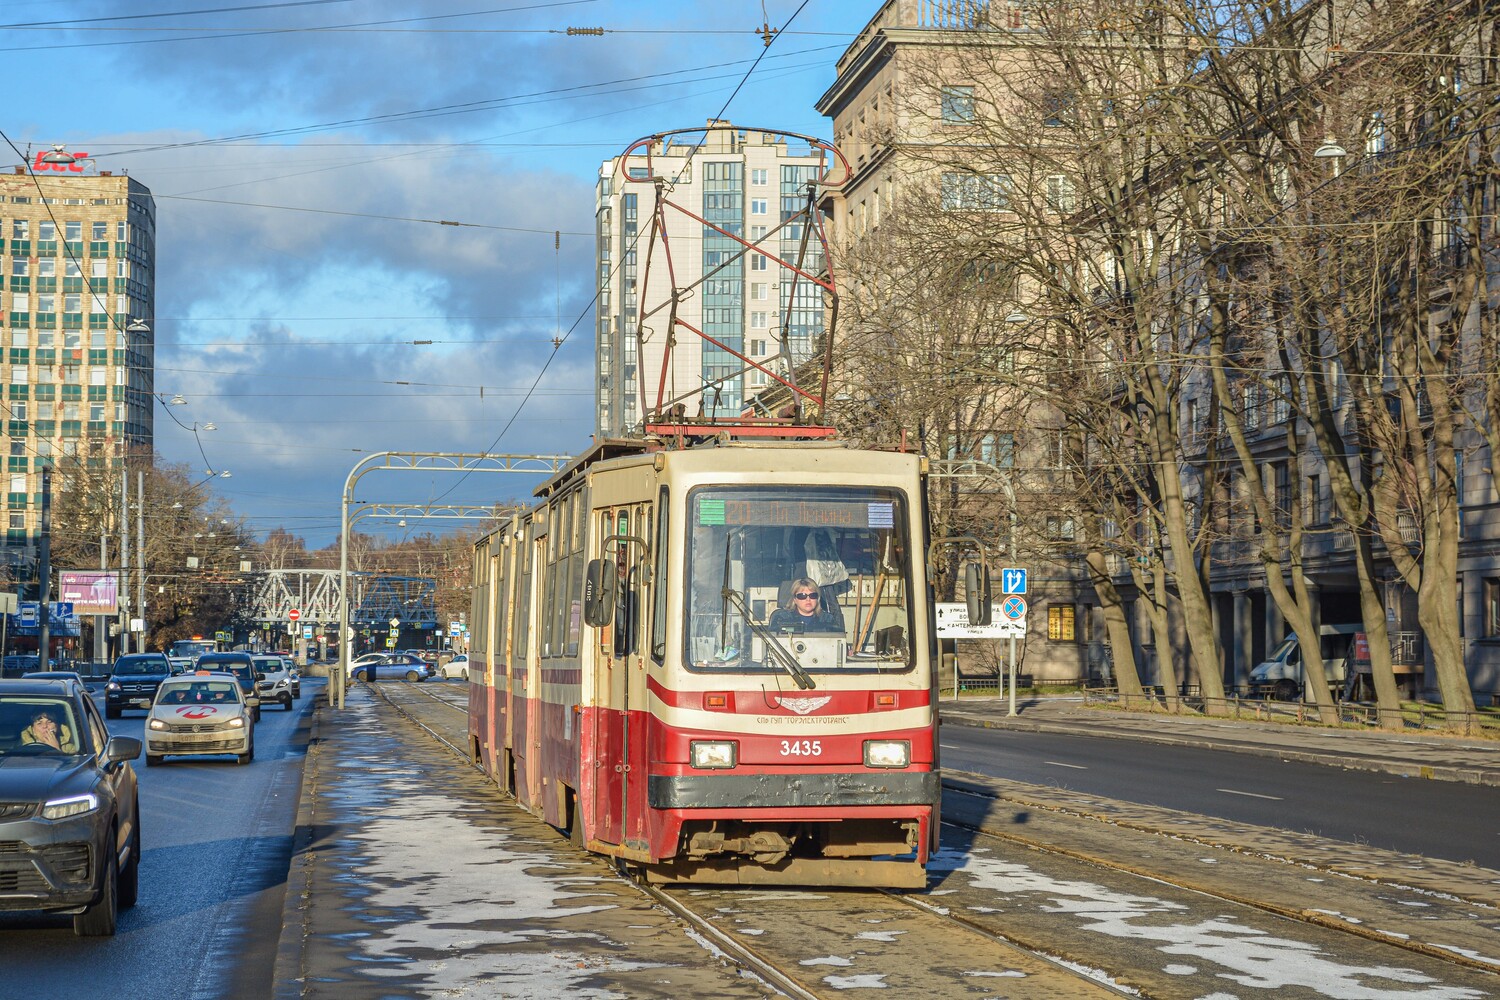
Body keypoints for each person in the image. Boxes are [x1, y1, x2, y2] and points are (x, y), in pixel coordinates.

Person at [768, 577, 843, 633]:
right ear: (795, 599)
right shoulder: (781, 618)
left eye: (812, 595)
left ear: (817, 598)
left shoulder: (828, 619)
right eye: (802, 596)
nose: (808, 599)